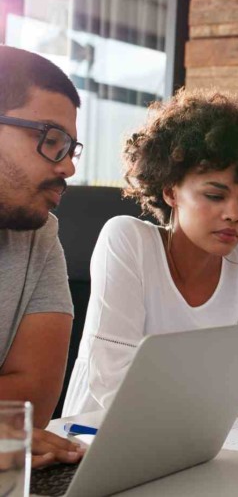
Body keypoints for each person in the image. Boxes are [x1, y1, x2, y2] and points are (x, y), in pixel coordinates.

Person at [62, 89, 238, 417]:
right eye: (215, 195)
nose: (235, 214)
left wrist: (197, 387)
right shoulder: (127, 240)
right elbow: (115, 381)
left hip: (198, 432)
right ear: (171, 191)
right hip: (95, 438)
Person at [0, 45, 86, 467]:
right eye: (51, 141)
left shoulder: (40, 234)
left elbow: (33, 400)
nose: (68, 167)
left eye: (70, 147)